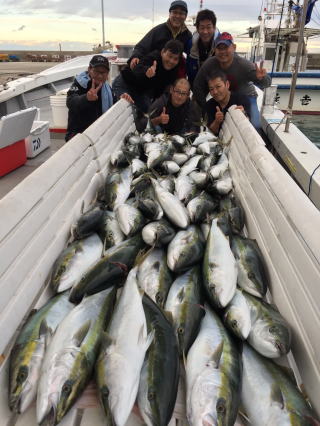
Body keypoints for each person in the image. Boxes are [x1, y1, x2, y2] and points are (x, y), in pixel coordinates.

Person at [193, 32, 271, 131]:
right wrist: (204, 108)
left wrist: (261, 78)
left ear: (234, 47)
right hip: (222, 96)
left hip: (246, 97)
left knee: (254, 126)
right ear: (214, 50)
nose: (222, 52)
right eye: (219, 48)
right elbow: (197, 86)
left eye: (225, 47)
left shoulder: (243, 65)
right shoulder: (210, 64)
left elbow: (267, 83)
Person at [65, 55, 132, 142]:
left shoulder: (107, 88)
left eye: (103, 73)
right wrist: (87, 98)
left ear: (107, 73)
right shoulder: (79, 84)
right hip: (78, 135)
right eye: (96, 71)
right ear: (89, 69)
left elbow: (114, 105)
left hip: (98, 134)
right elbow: (70, 101)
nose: (100, 76)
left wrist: (122, 99)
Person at [112, 40, 183, 116]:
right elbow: (137, 69)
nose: (171, 61)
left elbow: (161, 91)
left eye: (175, 59)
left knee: (150, 112)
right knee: (126, 111)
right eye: (169, 56)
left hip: (140, 90)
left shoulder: (174, 70)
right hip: (124, 83)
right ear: (162, 52)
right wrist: (146, 72)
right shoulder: (153, 58)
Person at [128, 0, 192, 70]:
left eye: (181, 13)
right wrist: (135, 57)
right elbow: (141, 46)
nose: (177, 16)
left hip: (171, 72)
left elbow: (192, 52)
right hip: (151, 70)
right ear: (169, 14)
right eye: (174, 12)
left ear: (185, 16)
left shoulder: (187, 35)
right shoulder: (158, 30)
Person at [205, 71, 250, 135]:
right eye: (211, 89)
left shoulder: (241, 99)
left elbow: (249, 126)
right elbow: (212, 132)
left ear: (227, 84)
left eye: (218, 86)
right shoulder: (209, 105)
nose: (215, 92)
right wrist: (216, 122)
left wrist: (243, 115)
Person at [185, 9, 219, 87]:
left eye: (208, 27)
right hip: (196, 88)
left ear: (214, 27)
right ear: (197, 28)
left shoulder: (221, 44)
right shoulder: (191, 45)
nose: (205, 31)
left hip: (217, 90)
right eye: (202, 27)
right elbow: (189, 69)